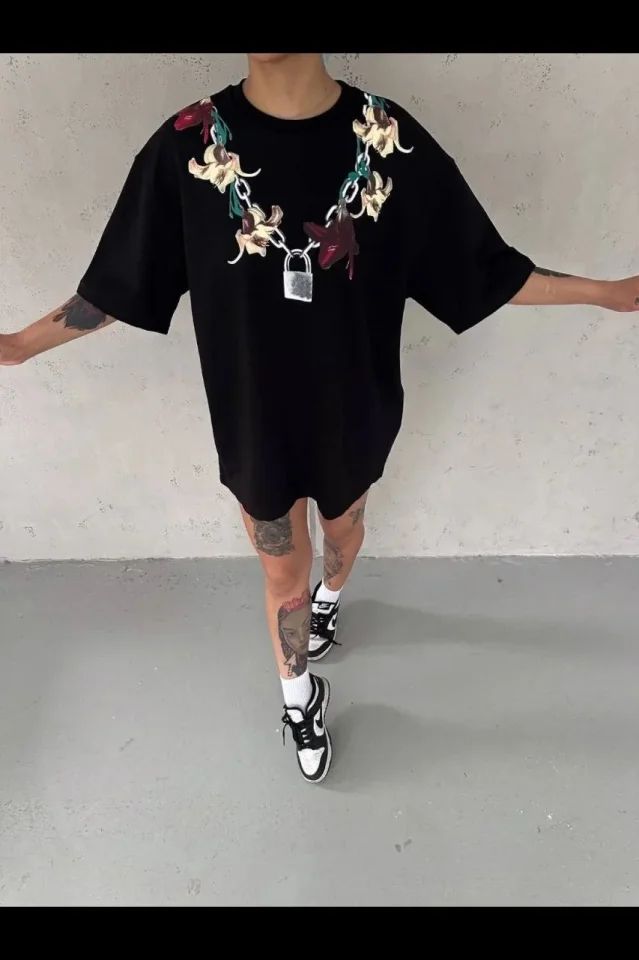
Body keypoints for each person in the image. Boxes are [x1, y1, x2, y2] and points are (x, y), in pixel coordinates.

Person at [2, 53, 638, 784]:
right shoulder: (186, 147)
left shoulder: (388, 140)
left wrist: (604, 292)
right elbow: (120, 282)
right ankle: (299, 695)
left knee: (342, 533)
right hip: (255, 423)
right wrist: (19, 345)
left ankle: (331, 599)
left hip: (354, 410)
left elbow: (483, 268)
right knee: (282, 572)